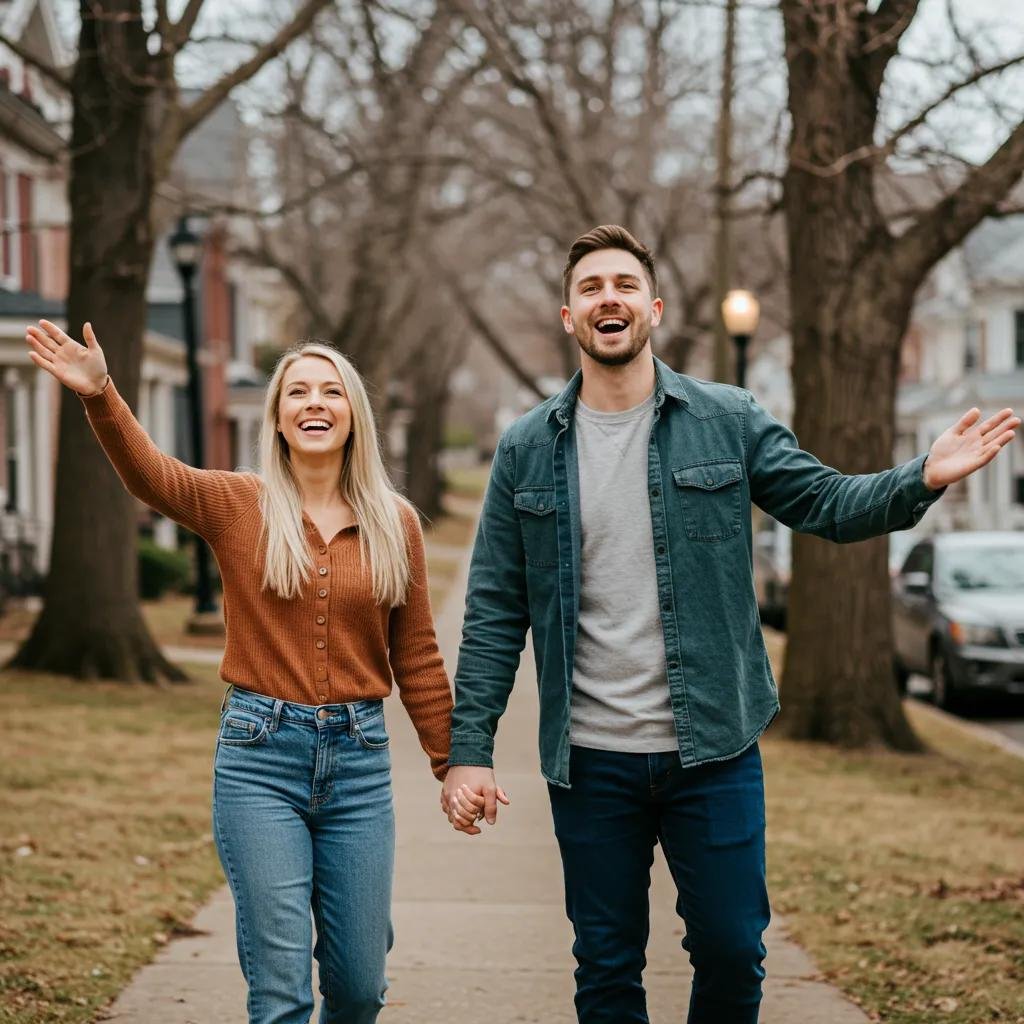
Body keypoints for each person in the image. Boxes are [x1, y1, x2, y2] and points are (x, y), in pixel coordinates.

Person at [440, 225, 1019, 1024]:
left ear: (654, 307)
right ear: (569, 317)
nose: (609, 297)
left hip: (712, 747)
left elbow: (824, 501)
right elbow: (495, 609)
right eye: (591, 288)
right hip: (591, 759)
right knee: (605, 966)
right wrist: (467, 751)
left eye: (623, 284)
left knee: (732, 950)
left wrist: (918, 478)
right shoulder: (526, 449)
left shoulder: (726, 418)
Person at [26, 320, 452, 1024]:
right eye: (298, 393)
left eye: (331, 392)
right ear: (279, 416)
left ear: (354, 414)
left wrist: (453, 762)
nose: (315, 404)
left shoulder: (394, 522)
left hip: (359, 766)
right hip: (260, 763)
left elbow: (418, 655)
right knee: (280, 991)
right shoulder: (238, 505)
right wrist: (101, 393)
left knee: (359, 987)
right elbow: (151, 476)